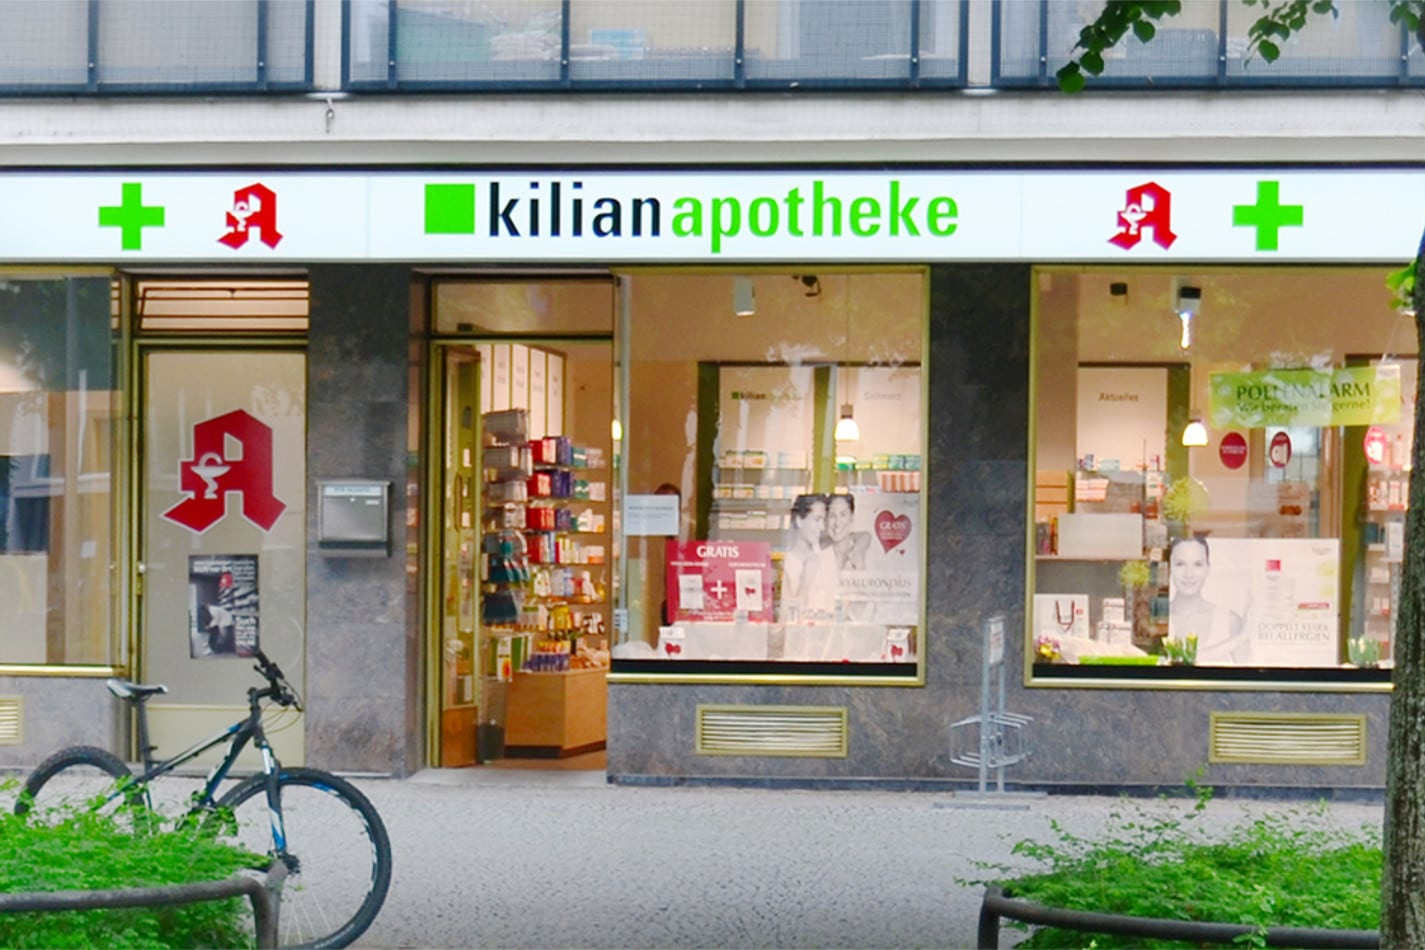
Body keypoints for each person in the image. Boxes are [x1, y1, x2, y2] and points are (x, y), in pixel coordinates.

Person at [1168, 537, 1247, 664]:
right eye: (1180, 564)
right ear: (1169, 567)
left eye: (1198, 564)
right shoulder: (1157, 619)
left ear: (1207, 568)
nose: (1189, 574)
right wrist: (1239, 638)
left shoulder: (1229, 621)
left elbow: (1249, 672)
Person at [781, 493, 840, 620]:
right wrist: (806, 581)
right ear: (799, 521)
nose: (822, 527)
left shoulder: (827, 557)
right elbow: (786, 616)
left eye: (824, 520)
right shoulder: (788, 563)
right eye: (817, 520)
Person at [823, 493, 871, 572]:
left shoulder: (865, 552)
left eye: (843, 515)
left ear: (852, 517)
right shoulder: (820, 555)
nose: (837, 523)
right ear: (826, 519)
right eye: (832, 516)